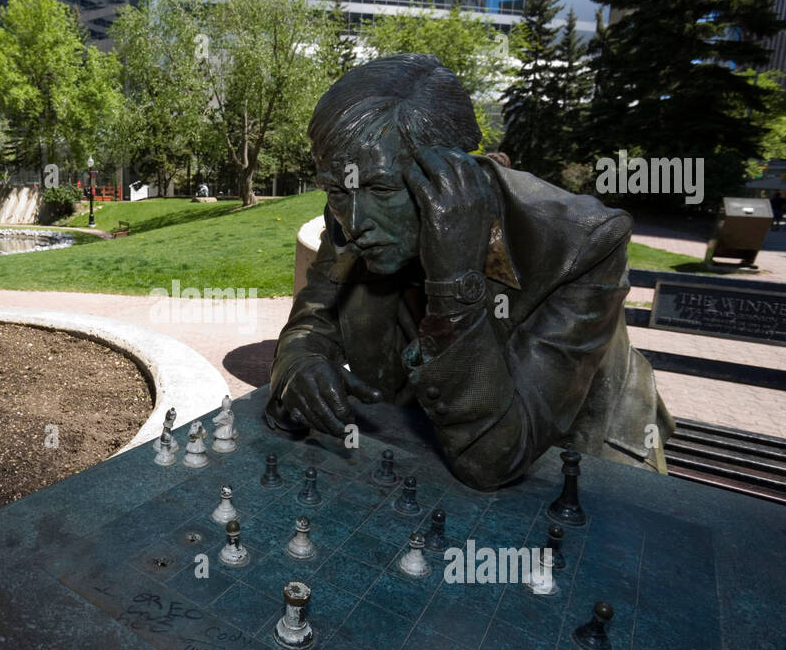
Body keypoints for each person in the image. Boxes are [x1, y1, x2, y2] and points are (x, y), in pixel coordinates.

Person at [266, 54, 673, 491]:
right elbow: (310, 325)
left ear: (452, 171)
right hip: (429, 441)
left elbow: (494, 458)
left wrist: (454, 280)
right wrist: (299, 365)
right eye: (336, 190)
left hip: (583, 465)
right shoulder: (351, 209)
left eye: (383, 188)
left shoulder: (583, 243)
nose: (354, 220)